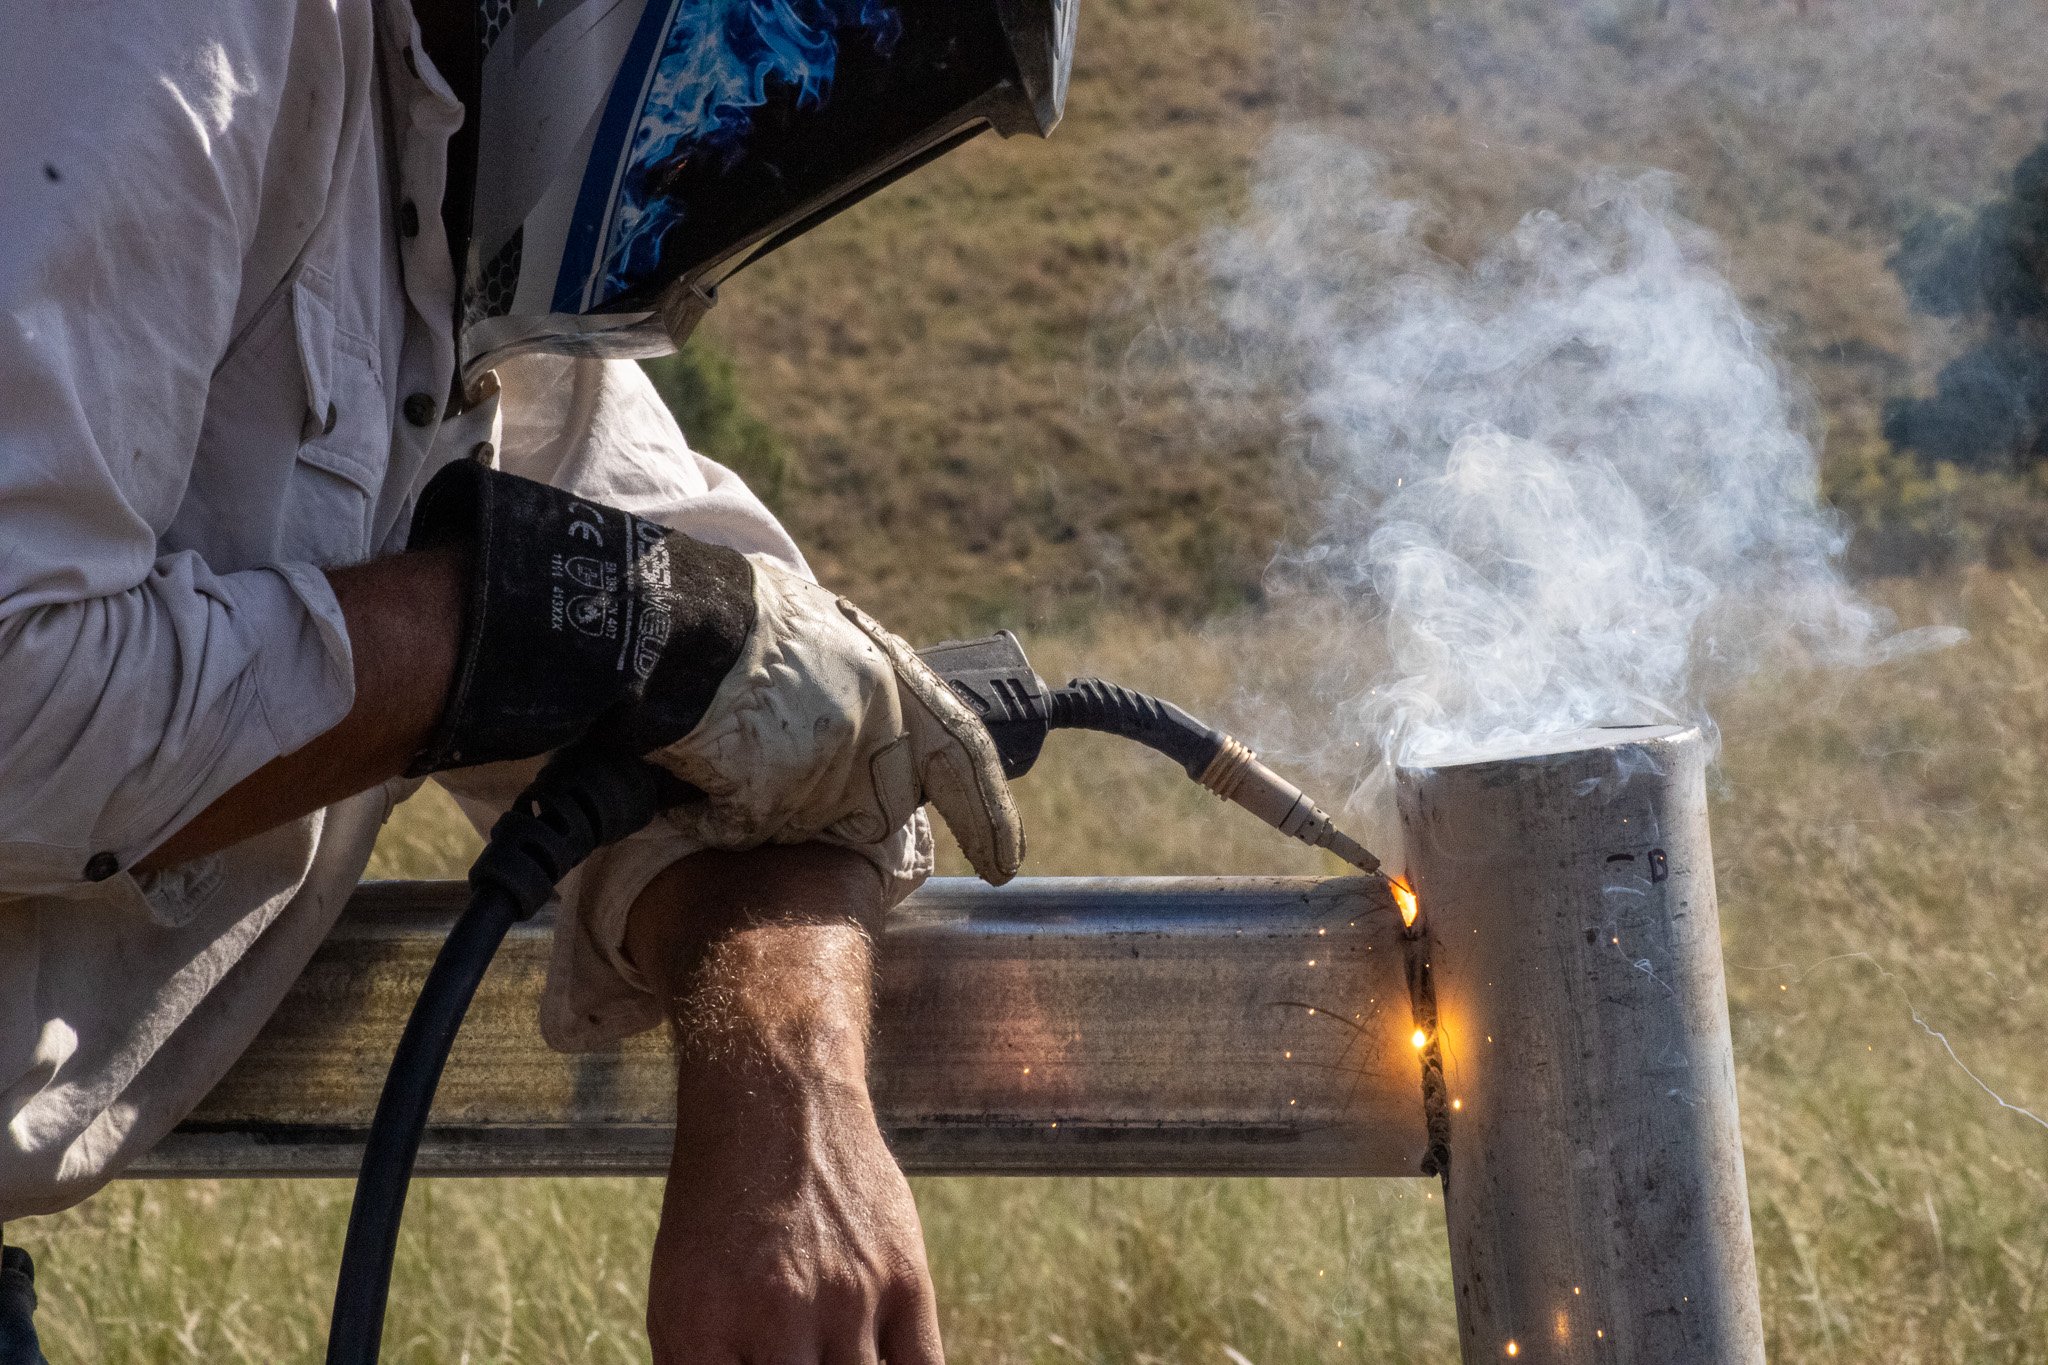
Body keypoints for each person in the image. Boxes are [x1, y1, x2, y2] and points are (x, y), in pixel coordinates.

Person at [0, 1, 1071, 1359]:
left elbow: (764, 692)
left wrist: (789, 1092)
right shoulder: (167, 31)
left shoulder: (449, 183)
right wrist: (505, 619)